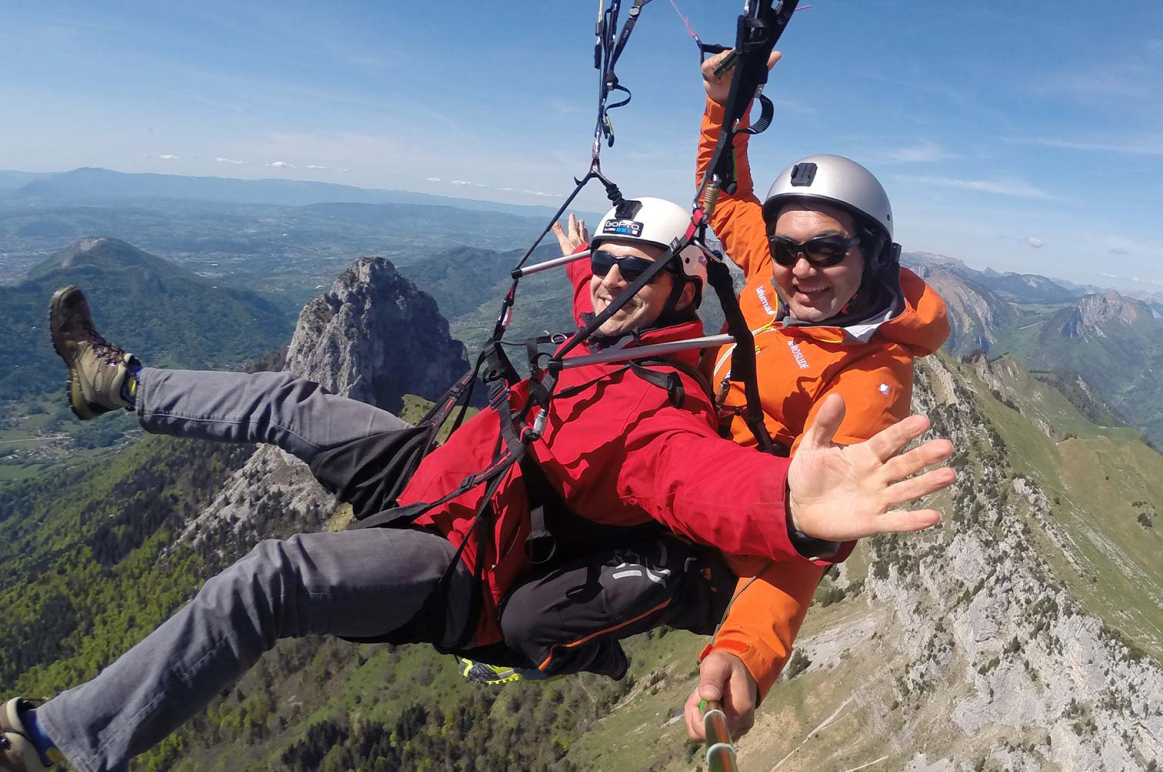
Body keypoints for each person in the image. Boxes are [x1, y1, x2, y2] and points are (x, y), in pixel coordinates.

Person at [0, 197, 955, 772]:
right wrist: (612, 248)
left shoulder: (659, 413)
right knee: (289, 400)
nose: (613, 282)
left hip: (461, 558)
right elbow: (620, 291)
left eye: (638, 273)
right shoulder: (609, 319)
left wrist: (789, 506)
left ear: (681, 292)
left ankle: (62, 742)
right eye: (606, 266)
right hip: (445, 470)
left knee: (274, 577)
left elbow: (696, 480)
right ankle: (114, 381)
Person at [680, 52, 952, 740]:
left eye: (828, 251)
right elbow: (725, 198)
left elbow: (806, 531)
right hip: (689, 461)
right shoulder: (769, 280)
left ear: (873, 255)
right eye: (787, 247)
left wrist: (745, 654)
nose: (802, 269)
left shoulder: (868, 379)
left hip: (732, 529)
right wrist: (726, 103)